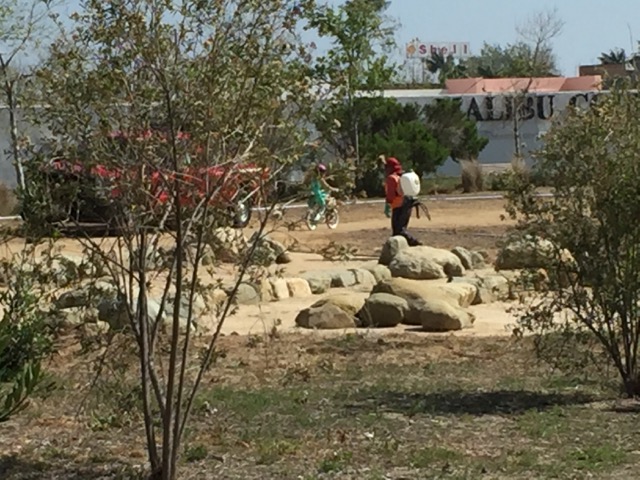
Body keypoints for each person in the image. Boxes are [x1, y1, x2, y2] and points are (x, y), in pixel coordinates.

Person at [384, 156, 422, 246]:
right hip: (408, 203)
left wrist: (388, 205)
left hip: (398, 206)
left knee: (398, 230)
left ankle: (415, 243)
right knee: (399, 229)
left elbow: (391, 194)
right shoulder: (401, 176)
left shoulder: (391, 178)